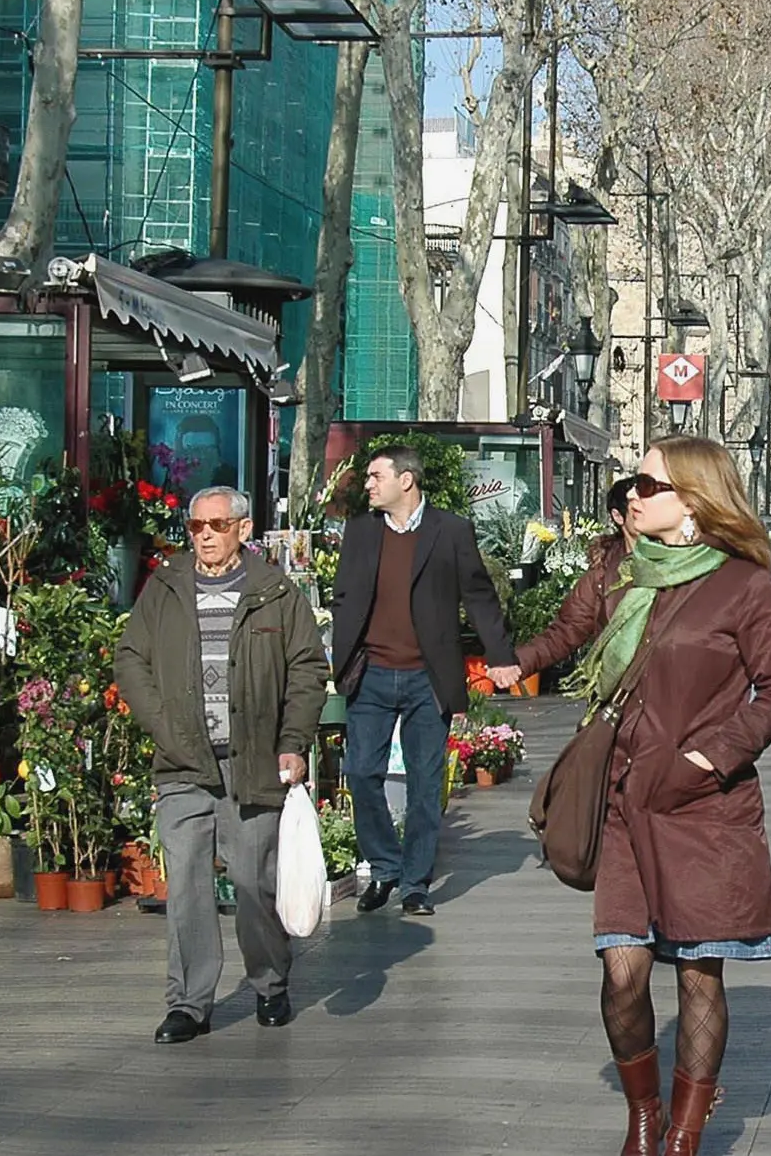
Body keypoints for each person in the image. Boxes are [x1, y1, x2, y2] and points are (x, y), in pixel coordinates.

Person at [580, 437, 771, 1156]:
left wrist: (710, 755)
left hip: (703, 806)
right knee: (623, 971)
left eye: (646, 483)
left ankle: (682, 1134)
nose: (631, 495)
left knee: (699, 973)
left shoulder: (745, 585)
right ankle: (642, 1112)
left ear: (694, 501)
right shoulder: (624, 573)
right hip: (625, 800)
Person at [115, 486, 326, 1042]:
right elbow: (131, 658)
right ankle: (188, 1003)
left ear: (243, 528)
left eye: (216, 524)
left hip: (252, 763)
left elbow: (307, 669)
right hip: (183, 763)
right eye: (195, 526)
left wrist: (293, 741)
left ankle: (270, 983)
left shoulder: (275, 592)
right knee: (184, 883)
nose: (204, 535)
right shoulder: (164, 588)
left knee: (254, 884)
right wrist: (163, 725)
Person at [331, 445, 517, 917]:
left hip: (426, 677)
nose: (368, 484)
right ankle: (385, 865)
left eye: (376, 476)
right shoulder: (360, 531)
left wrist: (499, 656)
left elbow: (479, 595)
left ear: (406, 481)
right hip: (370, 673)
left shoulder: (450, 531)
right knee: (361, 773)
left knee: (424, 784)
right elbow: (345, 595)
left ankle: (415, 884)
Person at [494, 476, 636, 690]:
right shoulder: (602, 575)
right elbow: (565, 631)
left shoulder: (683, 561)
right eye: (637, 506)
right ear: (618, 516)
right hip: (622, 695)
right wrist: (516, 662)